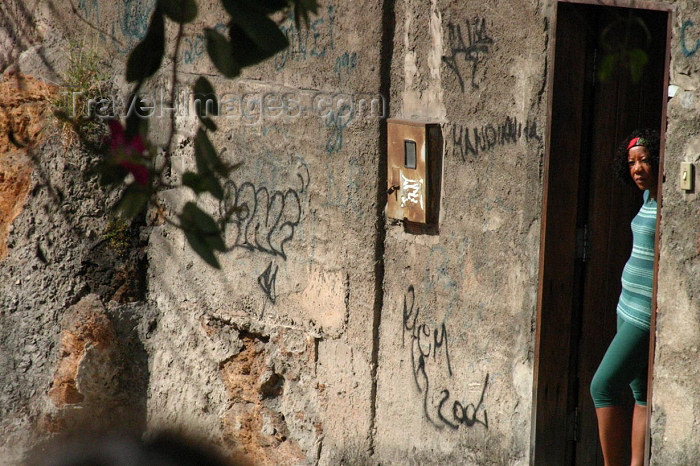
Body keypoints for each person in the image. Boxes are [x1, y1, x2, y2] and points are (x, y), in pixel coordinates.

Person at [590, 129, 660, 466]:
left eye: (645, 160)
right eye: (632, 163)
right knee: (640, 395)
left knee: (601, 387)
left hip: (643, 314)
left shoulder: (666, 199)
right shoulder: (647, 198)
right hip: (625, 304)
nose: (638, 169)